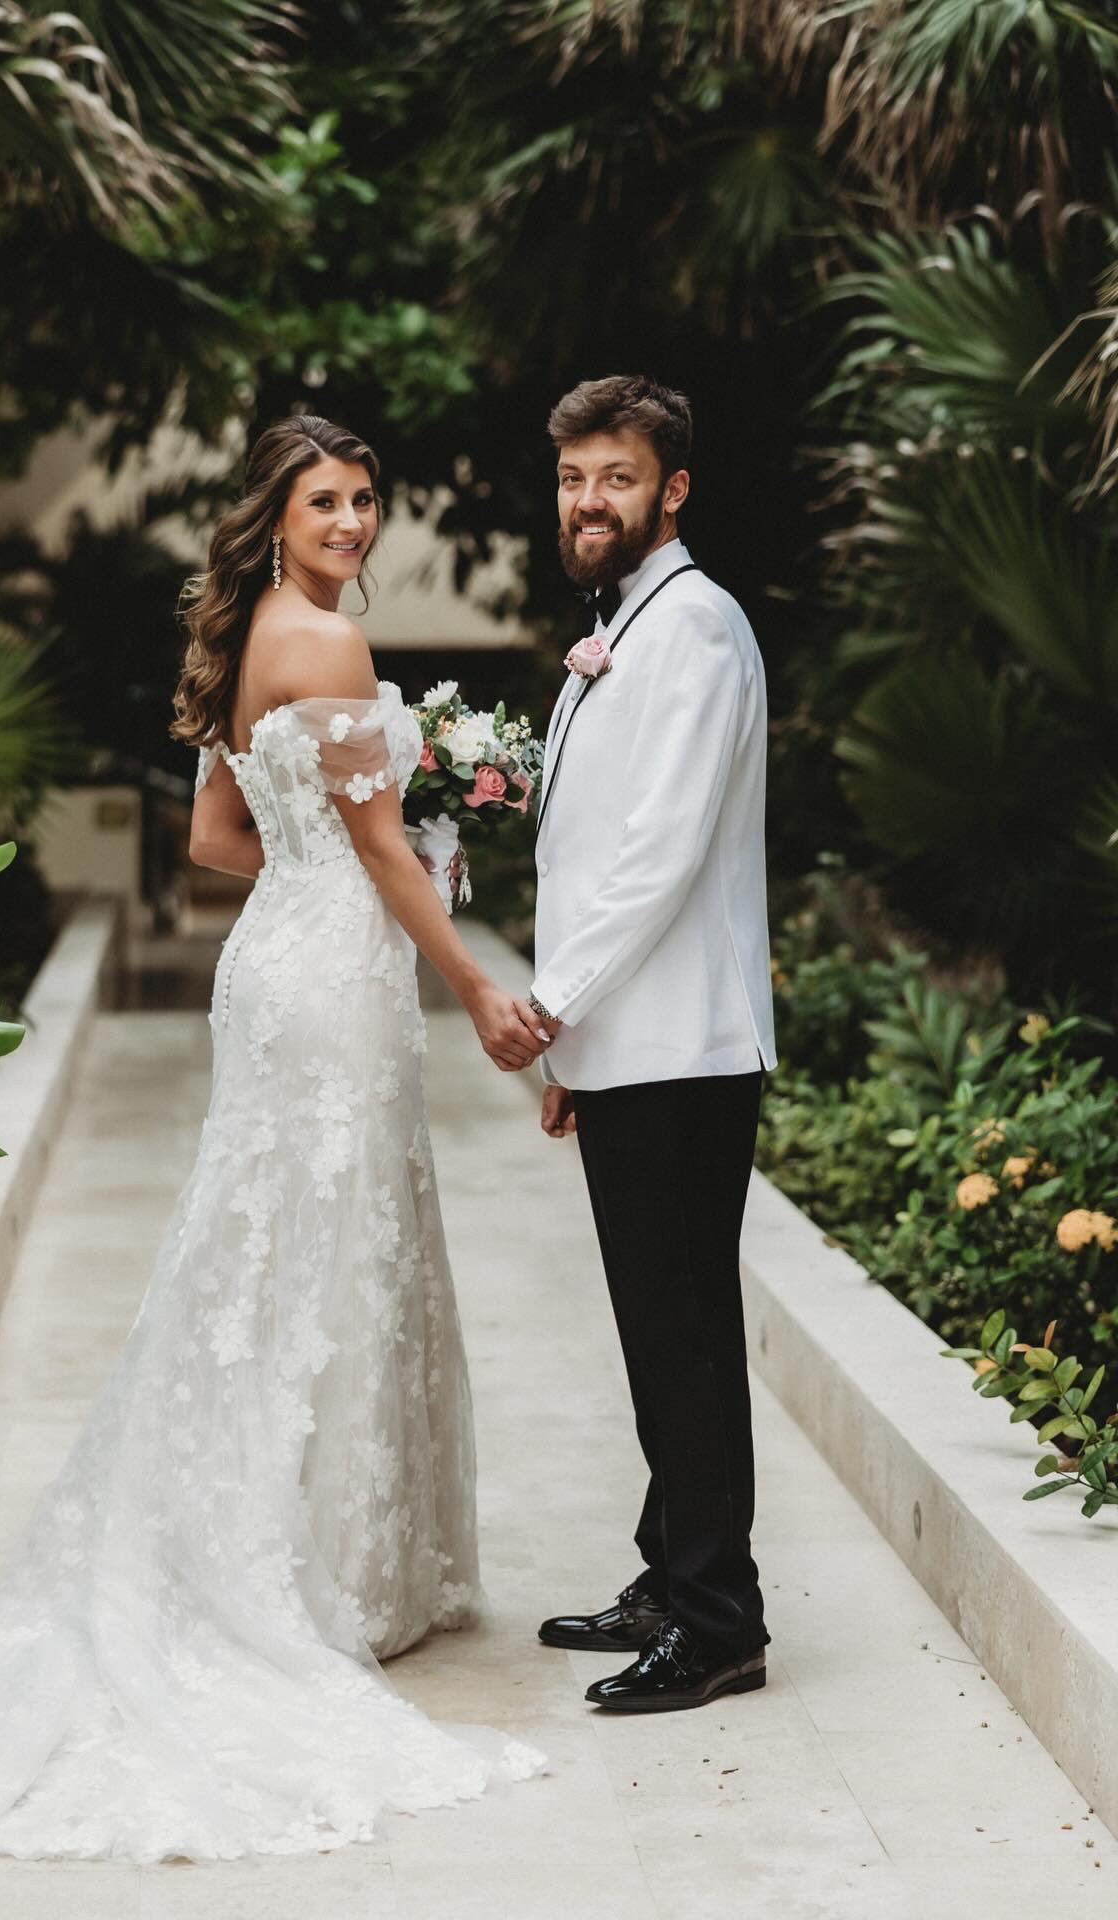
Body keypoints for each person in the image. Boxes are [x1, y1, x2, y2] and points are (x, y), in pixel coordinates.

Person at [0, 414, 549, 1863]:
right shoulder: (329, 643)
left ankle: (293, 1540)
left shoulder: (247, 641)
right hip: (332, 976)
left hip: (272, 960)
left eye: (365, 499)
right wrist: (475, 977)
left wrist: (352, 835)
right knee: (333, 1243)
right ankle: (328, 1569)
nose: (351, 521)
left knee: (270, 1241)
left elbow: (222, 841)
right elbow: (378, 848)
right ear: (276, 518)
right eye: (324, 501)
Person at [526, 374, 778, 1713]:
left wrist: (550, 1006)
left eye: (615, 477)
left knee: (681, 1335)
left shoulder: (693, 630)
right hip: (631, 1041)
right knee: (658, 1328)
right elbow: (586, 847)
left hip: (682, 1043)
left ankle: (719, 1619)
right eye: (574, 478)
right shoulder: (623, 624)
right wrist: (577, 1047)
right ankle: (671, 1575)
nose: (588, 500)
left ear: (671, 490)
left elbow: (659, 856)